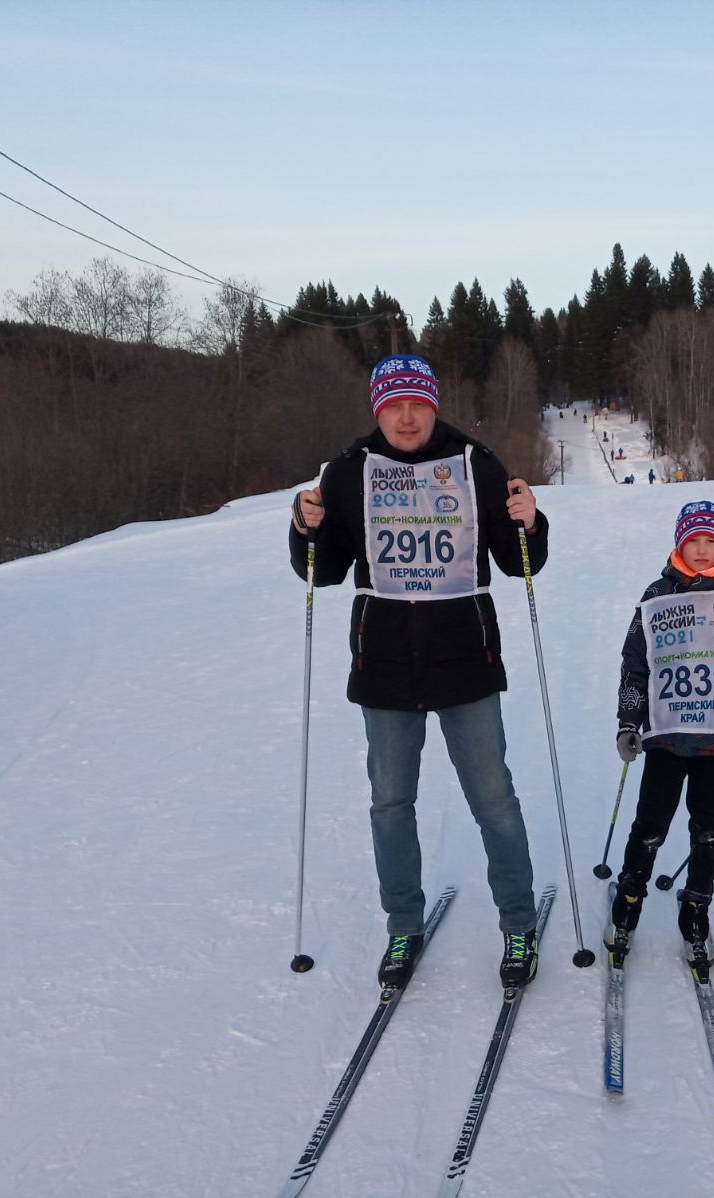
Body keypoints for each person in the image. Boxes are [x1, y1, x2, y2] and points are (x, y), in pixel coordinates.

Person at [289, 354, 549, 988]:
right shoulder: (349, 471)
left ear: (434, 405)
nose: (407, 418)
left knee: (494, 800)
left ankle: (517, 924)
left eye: (417, 404)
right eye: (393, 406)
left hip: (466, 660)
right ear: (378, 409)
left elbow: (519, 565)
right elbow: (323, 571)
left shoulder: (475, 463)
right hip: (384, 665)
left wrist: (530, 523)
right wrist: (305, 529)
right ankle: (403, 927)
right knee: (389, 804)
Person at [607, 500, 714, 965]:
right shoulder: (657, 594)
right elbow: (635, 666)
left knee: (708, 830)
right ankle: (628, 902)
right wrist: (628, 722)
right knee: (650, 826)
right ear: (679, 543)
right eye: (693, 541)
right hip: (665, 737)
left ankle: (697, 908)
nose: (702, 550)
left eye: (710, 541)